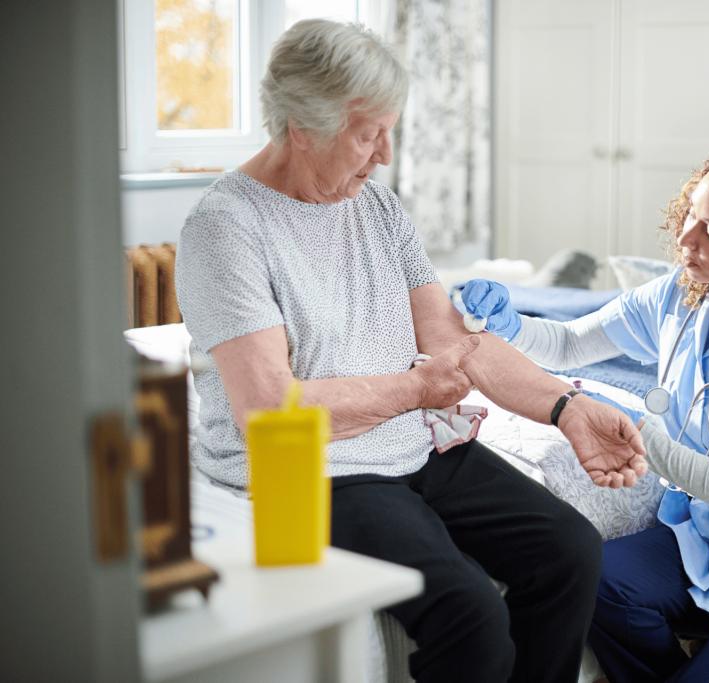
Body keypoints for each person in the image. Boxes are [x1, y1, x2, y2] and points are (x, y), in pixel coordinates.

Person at [175, 19, 648, 683]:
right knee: (472, 616)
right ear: (301, 126)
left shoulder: (377, 207)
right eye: (369, 134)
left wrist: (568, 406)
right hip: (311, 468)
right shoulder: (227, 229)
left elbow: (453, 341)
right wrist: (420, 391)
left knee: (569, 550)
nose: (386, 154)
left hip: (413, 446)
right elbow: (267, 409)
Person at [462, 139, 709, 683]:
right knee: (596, 581)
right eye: (693, 216)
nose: (685, 238)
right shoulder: (682, 294)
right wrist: (508, 324)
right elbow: (565, 345)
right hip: (705, 546)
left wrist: (635, 433)